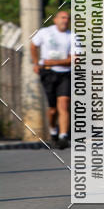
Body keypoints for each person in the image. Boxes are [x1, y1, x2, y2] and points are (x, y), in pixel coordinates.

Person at [30, 9, 73, 149]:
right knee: (53, 109)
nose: (65, 20)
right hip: (48, 74)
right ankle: (53, 129)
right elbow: (33, 45)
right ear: (55, 20)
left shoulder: (72, 36)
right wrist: (36, 63)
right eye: (62, 17)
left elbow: (74, 59)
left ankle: (63, 136)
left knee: (64, 103)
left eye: (67, 18)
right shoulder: (45, 32)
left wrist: (52, 62)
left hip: (65, 74)